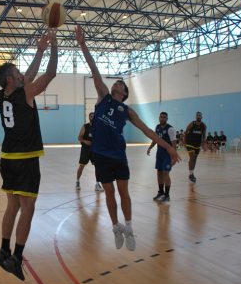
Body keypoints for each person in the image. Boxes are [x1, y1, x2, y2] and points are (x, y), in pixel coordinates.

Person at [75, 26, 181, 251]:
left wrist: (170, 149)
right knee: (110, 193)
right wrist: (83, 45)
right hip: (101, 155)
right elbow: (94, 70)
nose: (116, 84)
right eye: (116, 82)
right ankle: (116, 227)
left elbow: (148, 132)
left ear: (124, 94)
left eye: (121, 85)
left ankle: (129, 228)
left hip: (118, 156)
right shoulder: (103, 98)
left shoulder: (127, 111)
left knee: (124, 192)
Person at [0, 30, 58, 281]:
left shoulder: (3, 95)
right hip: (25, 159)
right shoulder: (26, 93)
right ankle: (17, 258)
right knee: (28, 208)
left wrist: (39, 49)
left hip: (7, 158)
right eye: (17, 73)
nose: (23, 74)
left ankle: (3, 249)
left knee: (12, 205)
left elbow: (27, 76)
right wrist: (54, 46)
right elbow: (49, 74)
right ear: (11, 79)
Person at [147, 112, 177, 202]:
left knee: (165, 173)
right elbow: (155, 139)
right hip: (159, 154)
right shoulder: (157, 127)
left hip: (167, 155)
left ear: (167, 119)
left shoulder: (170, 129)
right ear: (159, 118)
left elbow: (174, 144)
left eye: (164, 117)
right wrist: (150, 148)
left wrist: (173, 156)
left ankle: (167, 195)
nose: (162, 118)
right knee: (159, 173)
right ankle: (160, 192)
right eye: (161, 117)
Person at [76, 112, 104, 192]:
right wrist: (85, 141)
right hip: (85, 149)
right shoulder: (85, 126)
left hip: (95, 150)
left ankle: (97, 184)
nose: (92, 117)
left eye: (93, 116)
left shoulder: (98, 127)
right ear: (89, 118)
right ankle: (77, 181)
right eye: (91, 116)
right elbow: (79, 137)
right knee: (81, 166)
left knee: (97, 166)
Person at [184, 112, 207, 182]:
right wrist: (184, 142)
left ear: (201, 117)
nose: (198, 116)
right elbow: (186, 132)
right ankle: (191, 174)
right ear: (195, 117)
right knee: (192, 157)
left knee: (195, 159)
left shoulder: (204, 126)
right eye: (197, 115)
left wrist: (203, 144)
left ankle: (191, 173)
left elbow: (204, 136)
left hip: (197, 144)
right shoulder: (192, 124)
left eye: (199, 115)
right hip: (189, 143)